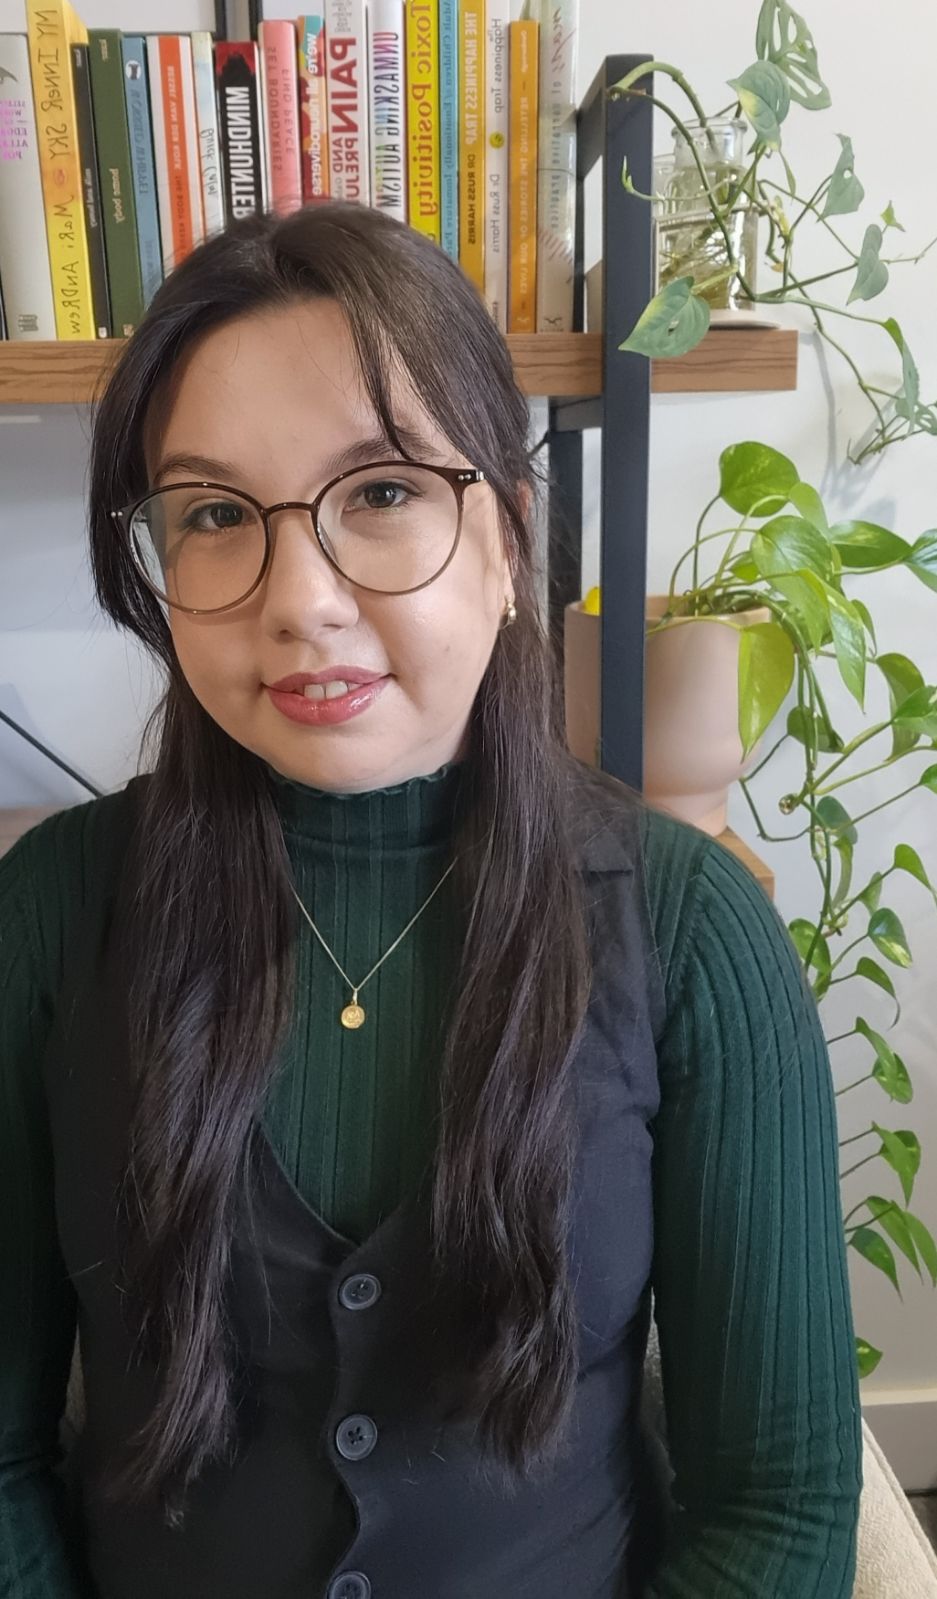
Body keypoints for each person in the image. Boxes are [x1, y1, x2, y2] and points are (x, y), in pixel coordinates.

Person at [0, 202, 861, 1599]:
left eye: (384, 492)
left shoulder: (690, 931)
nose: (302, 601)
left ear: (507, 536)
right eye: (214, 513)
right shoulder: (52, 912)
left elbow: (778, 1502)